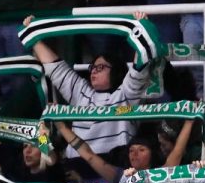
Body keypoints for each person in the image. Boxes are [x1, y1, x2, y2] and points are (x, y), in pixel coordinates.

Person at [27, 21, 151, 162]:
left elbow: (138, 70)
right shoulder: (83, 93)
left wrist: (141, 27)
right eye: (92, 67)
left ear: (116, 71)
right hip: (76, 164)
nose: (93, 71)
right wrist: (32, 35)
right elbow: (56, 69)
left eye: (100, 67)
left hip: (115, 163)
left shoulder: (126, 93)